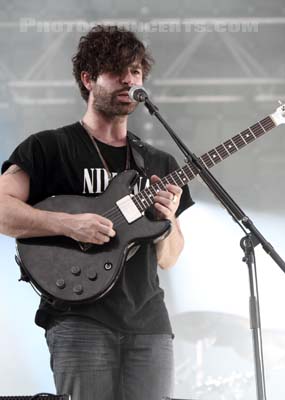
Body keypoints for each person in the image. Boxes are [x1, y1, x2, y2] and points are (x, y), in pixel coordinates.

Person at [0, 25, 194, 400]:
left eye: (136, 70)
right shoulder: (49, 147)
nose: (129, 79)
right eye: (116, 70)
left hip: (149, 322)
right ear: (88, 79)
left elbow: (169, 259)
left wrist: (168, 221)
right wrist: (70, 225)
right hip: (79, 320)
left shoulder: (157, 162)